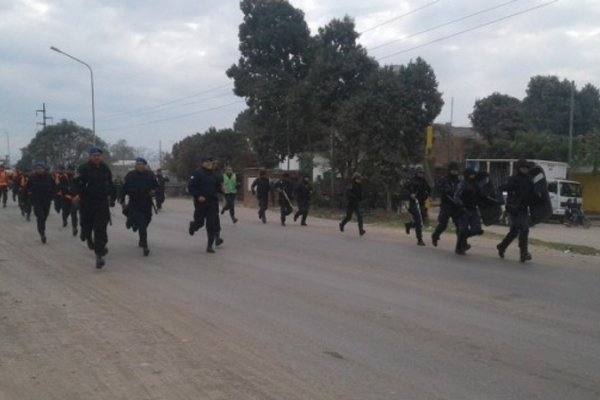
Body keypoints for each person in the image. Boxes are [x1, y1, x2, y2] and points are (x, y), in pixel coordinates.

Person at [73, 146, 116, 269]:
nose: (97, 157)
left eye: (98, 155)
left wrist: (112, 198)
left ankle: (99, 255)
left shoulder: (105, 168)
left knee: (100, 228)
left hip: (101, 204)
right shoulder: (83, 169)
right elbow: (75, 183)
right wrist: (76, 194)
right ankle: (87, 236)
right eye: (94, 155)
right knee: (87, 226)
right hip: (86, 203)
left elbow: (110, 184)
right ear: (90, 156)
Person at [496, 159, 535, 262]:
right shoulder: (513, 180)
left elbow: (533, 195)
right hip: (513, 209)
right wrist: (501, 201)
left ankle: (502, 246)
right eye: (523, 168)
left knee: (514, 231)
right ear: (518, 169)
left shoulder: (529, 181)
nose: (525, 170)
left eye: (527, 168)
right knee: (524, 229)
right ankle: (524, 253)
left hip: (523, 209)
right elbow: (500, 188)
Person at [119, 157, 158, 256]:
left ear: (145, 165)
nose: (140, 166)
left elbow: (157, 187)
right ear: (135, 165)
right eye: (138, 164)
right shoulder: (130, 175)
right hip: (134, 204)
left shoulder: (150, 175)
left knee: (147, 221)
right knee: (142, 224)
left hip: (147, 203)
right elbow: (123, 189)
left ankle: (133, 223)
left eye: (142, 164)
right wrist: (122, 201)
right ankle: (145, 246)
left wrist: (154, 191)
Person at [188, 156, 223, 253]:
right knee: (200, 223)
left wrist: (221, 190)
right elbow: (191, 186)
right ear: (202, 163)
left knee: (211, 224)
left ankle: (209, 246)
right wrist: (198, 195)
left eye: (210, 162)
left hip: (212, 202)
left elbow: (218, 188)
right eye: (207, 162)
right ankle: (193, 226)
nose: (209, 164)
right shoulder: (197, 173)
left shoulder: (214, 175)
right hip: (201, 202)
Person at [453, 168, 483, 255]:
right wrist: (461, 205)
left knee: (477, 229)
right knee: (463, 230)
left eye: (474, 174)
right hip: (464, 210)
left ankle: (462, 241)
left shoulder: (476, 185)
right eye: (471, 174)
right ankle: (459, 248)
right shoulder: (462, 184)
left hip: (473, 210)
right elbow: (456, 196)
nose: (473, 176)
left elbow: (480, 196)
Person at [431, 162, 461, 247]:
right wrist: (444, 192)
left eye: (456, 170)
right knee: (443, 224)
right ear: (449, 170)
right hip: (446, 205)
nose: (455, 172)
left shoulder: (458, 181)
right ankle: (435, 235)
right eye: (453, 170)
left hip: (456, 206)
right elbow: (438, 188)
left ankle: (461, 244)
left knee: (459, 225)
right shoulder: (444, 179)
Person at [26, 163, 56, 244]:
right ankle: (42, 233)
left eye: (41, 168)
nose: (39, 170)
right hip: (37, 201)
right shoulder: (32, 178)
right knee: (40, 216)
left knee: (45, 216)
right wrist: (30, 196)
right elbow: (27, 188)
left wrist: (53, 196)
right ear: (35, 169)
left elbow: (54, 187)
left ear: (44, 169)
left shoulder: (49, 177)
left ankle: (41, 228)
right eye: (37, 168)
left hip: (47, 200)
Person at [404, 165, 431, 246]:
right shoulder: (411, 181)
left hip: (422, 204)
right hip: (414, 204)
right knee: (419, 222)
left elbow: (429, 189)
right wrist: (410, 195)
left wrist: (428, 195)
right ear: (416, 173)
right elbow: (405, 190)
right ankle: (420, 239)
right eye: (420, 172)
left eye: (422, 173)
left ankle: (409, 225)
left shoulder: (424, 181)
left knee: (420, 221)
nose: (421, 174)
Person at [57, 164, 79, 236]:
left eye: (72, 170)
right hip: (65, 198)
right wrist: (67, 189)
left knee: (74, 214)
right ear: (67, 170)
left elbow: (79, 187)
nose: (71, 171)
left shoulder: (76, 178)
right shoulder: (63, 178)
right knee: (65, 211)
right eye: (70, 170)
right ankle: (64, 220)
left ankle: (74, 227)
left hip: (74, 199)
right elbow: (61, 187)